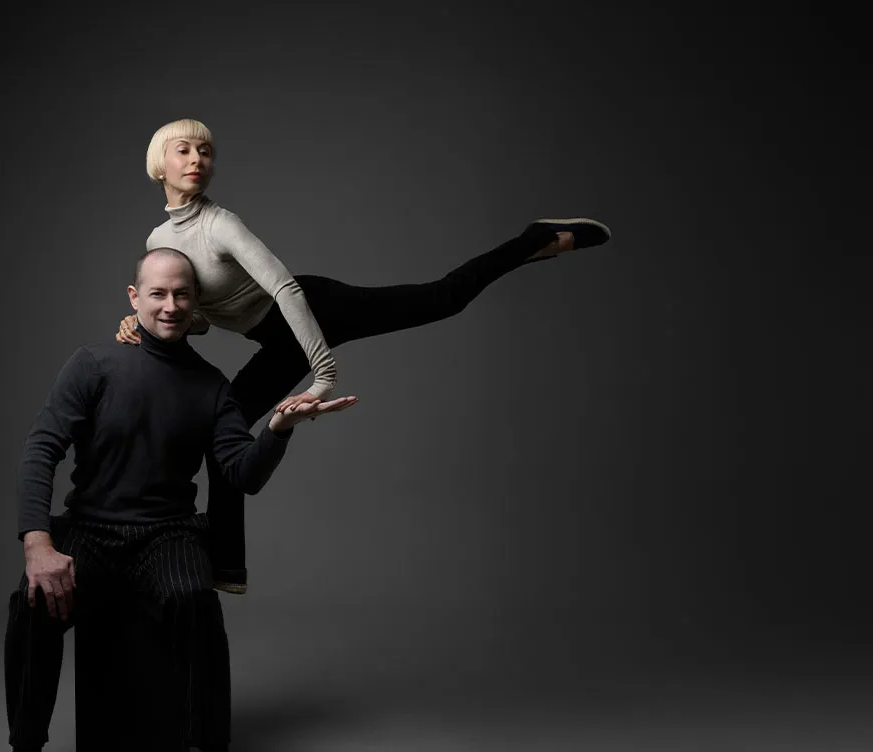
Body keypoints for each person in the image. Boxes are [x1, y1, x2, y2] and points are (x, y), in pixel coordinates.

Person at [0, 248, 357, 752]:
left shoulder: (210, 387)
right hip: (91, 529)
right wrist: (38, 543)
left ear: (196, 303)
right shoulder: (93, 363)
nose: (171, 305)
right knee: (32, 603)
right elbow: (41, 448)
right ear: (134, 296)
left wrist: (280, 429)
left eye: (182, 295)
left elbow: (241, 473)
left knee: (194, 602)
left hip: (167, 533)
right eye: (158, 294)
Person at [116, 118, 611, 594]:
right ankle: (226, 565)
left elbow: (285, 288)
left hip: (317, 308)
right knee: (224, 430)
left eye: (205, 151)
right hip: (279, 343)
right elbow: (198, 315)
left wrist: (323, 373)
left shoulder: (220, 224)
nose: (198, 159)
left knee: (442, 298)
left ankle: (532, 240)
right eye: (184, 150)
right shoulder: (159, 243)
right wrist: (137, 324)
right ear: (158, 163)